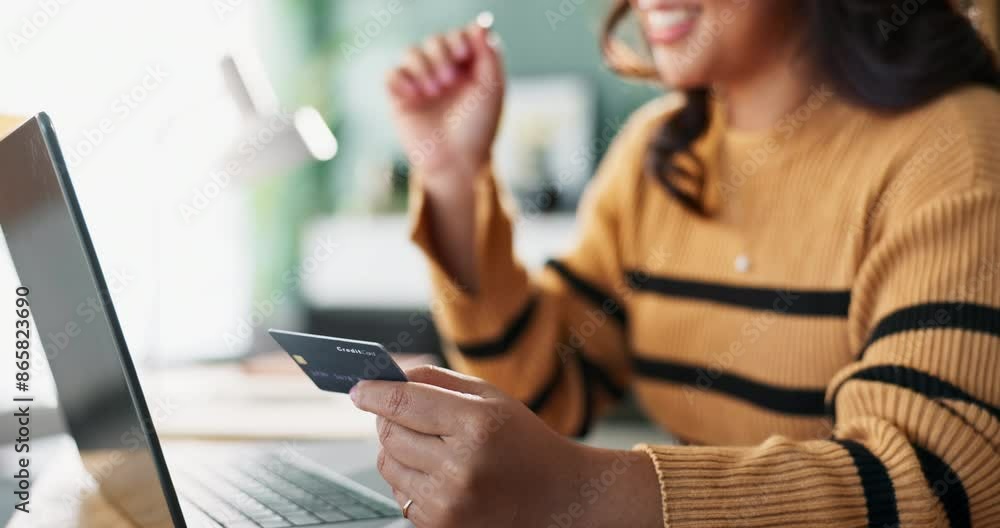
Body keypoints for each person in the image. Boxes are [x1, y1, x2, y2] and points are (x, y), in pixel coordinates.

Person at [350, 1, 1000, 526]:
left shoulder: (959, 150)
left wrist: (579, 493)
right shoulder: (655, 154)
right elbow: (543, 393)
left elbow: (937, 485)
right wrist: (453, 176)